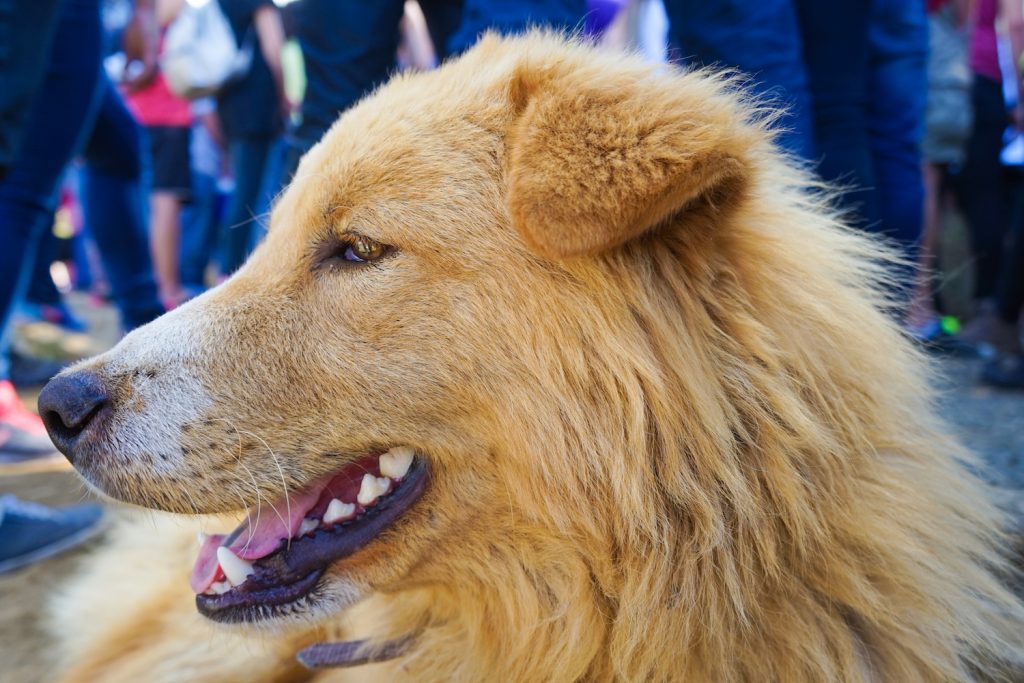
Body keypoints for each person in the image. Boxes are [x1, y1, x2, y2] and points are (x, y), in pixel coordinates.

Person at [123, 0, 194, 310]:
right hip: (169, 117)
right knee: (166, 203)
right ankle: (167, 288)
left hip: (135, 115)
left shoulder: (131, 14)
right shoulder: (166, 9)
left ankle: (126, 282)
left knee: (138, 201)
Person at [215, 0, 288, 277]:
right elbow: (274, 47)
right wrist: (283, 96)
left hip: (230, 103)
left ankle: (230, 266)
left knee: (241, 191)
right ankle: (234, 270)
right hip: (257, 106)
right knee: (252, 196)